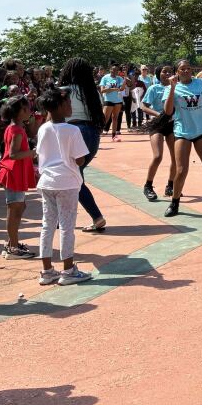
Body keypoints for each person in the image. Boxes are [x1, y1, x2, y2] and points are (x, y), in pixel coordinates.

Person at [35, 89, 93, 286]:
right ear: (59, 106)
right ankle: (68, 270)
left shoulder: (43, 128)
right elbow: (80, 159)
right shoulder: (73, 130)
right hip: (66, 182)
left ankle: (46, 271)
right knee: (67, 226)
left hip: (46, 181)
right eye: (68, 103)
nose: (70, 106)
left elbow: (40, 153)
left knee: (47, 224)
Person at [162, 60, 202, 217]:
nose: (186, 71)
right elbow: (168, 111)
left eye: (188, 68)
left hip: (201, 131)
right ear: (177, 71)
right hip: (183, 132)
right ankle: (174, 202)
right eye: (182, 69)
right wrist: (172, 89)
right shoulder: (171, 88)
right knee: (181, 170)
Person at [59, 58, 107, 233]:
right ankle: (62, 217)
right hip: (91, 133)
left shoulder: (63, 91)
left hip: (72, 132)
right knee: (75, 176)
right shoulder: (92, 91)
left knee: (73, 178)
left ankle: (96, 216)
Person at [0, 96, 37, 260]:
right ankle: (13, 247)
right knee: (14, 210)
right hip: (13, 174)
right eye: (26, 109)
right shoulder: (17, 130)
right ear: (19, 112)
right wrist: (32, 152)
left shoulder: (13, 127)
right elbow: (13, 154)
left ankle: (12, 242)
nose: (29, 111)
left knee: (19, 207)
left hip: (14, 173)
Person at [138, 65, 177, 203]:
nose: (167, 73)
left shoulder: (177, 87)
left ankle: (170, 186)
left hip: (173, 125)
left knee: (176, 158)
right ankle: (148, 185)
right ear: (158, 74)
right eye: (164, 71)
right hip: (158, 125)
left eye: (170, 71)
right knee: (158, 156)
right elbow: (143, 106)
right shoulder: (154, 88)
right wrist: (158, 114)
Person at [99, 64, 124, 142]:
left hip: (118, 100)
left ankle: (114, 136)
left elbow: (121, 89)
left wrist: (125, 81)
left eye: (116, 70)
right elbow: (102, 90)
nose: (114, 71)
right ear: (110, 70)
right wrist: (113, 89)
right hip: (108, 100)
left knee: (115, 118)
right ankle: (97, 133)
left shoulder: (119, 78)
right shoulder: (105, 78)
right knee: (105, 118)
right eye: (113, 70)